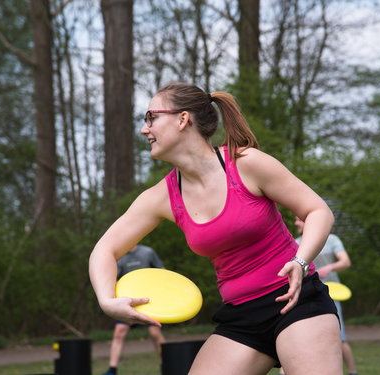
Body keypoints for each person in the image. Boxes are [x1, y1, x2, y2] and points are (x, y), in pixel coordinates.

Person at [89, 82, 342, 375]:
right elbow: (105, 250)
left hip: (296, 300)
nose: (145, 130)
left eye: (151, 118)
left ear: (182, 119)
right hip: (241, 318)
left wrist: (301, 260)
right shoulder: (160, 197)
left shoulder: (245, 163)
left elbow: (317, 211)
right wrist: (108, 301)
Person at [293, 217, 358, 375]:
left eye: (299, 220)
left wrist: (328, 268)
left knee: (339, 338)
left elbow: (345, 262)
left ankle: (352, 372)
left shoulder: (332, 239)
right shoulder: (296, 242)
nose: (295, 223)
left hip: (331, 294)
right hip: (307, 295)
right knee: (299, 338)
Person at [102, 245, 166, 375]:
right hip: (128, 303)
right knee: (119, 332)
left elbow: (162, 272)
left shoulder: (148, 252)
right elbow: (114, 280)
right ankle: (112, 370)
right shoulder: (119, 258)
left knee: (155, 333)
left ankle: (167, 364)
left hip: (148, 301)